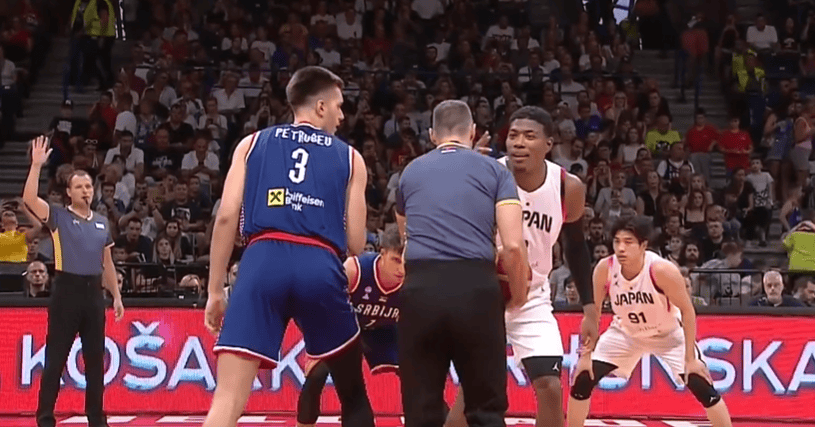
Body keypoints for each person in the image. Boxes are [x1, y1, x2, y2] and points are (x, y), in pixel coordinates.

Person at [201, 66, 374, 427]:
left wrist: (215, 290)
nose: (343, 116)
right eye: (339, 106)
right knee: (354, 396)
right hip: (319, 263)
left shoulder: (250, 144)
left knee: (227, 400)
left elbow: (226, 217)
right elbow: (356, 243)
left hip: (261, 260)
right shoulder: (351, 158)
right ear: (321, 106)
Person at [446, 106, 599, 427]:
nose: (519, 142)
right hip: (483, 292)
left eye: (530, 136)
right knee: (472, 391)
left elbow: (575, 247)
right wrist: (464, 171)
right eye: (513, 135)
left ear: (549, 144)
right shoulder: (488, 174)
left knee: (551, 387)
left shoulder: (567, 187)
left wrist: (589, 308)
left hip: (532, 296)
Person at [395, 99, 529, 427]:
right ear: (473, 131)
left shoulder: (410, 172)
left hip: (420, 290)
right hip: (475, 289)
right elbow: (513, 246)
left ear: (432, 134)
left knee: (420, 410)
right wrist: (519, 293)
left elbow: (405, 241)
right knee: (485, 410)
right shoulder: (496, 171)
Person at [567, 216, 733, 427]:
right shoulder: (605, 268)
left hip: (668, 335)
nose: (621, 248)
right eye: (617, 241)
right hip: (626, 333)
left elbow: (687, 311)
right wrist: (586, 356)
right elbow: (593, 314)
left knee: (702, 386)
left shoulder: (661, 270)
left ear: (643, 245)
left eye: (628, 242)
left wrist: (691, 359)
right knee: (583, 379)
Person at [24, 136, 125, 427]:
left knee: (95, 362)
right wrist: (36, 165)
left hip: (94, 294)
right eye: (79, 186)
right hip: (66, 291)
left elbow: (107, 263)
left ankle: (96, 418)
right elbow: (29, 200)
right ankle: (45, 418)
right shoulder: (58, 215)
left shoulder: (102, 222)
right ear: (68, 192)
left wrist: (116, 296)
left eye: (88, 186)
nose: (85, 190)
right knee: (56, 358)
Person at [296, 226, 404, 427]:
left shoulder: (413, 281)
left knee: (417, 376)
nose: (402, 270)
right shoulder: (355, 269)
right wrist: (315, 345)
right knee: (318, 373)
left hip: (383, 330)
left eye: (406, 262)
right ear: (382, 254)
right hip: (345, 329)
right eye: (396, 260)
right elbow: (317, 304)